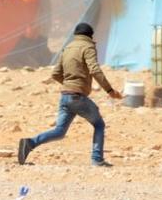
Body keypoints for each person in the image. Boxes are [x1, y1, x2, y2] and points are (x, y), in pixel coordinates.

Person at [18, 23, 122, 167]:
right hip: (78, 97)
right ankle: (97, 159)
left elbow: (55, 74)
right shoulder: (88, 47)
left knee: (59, 131)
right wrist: (110, 91)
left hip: (65, 96)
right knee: (99, 124)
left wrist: (68, 84)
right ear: (90, 36)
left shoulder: (67, 48)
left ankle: (29, 143)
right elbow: (95, 70)